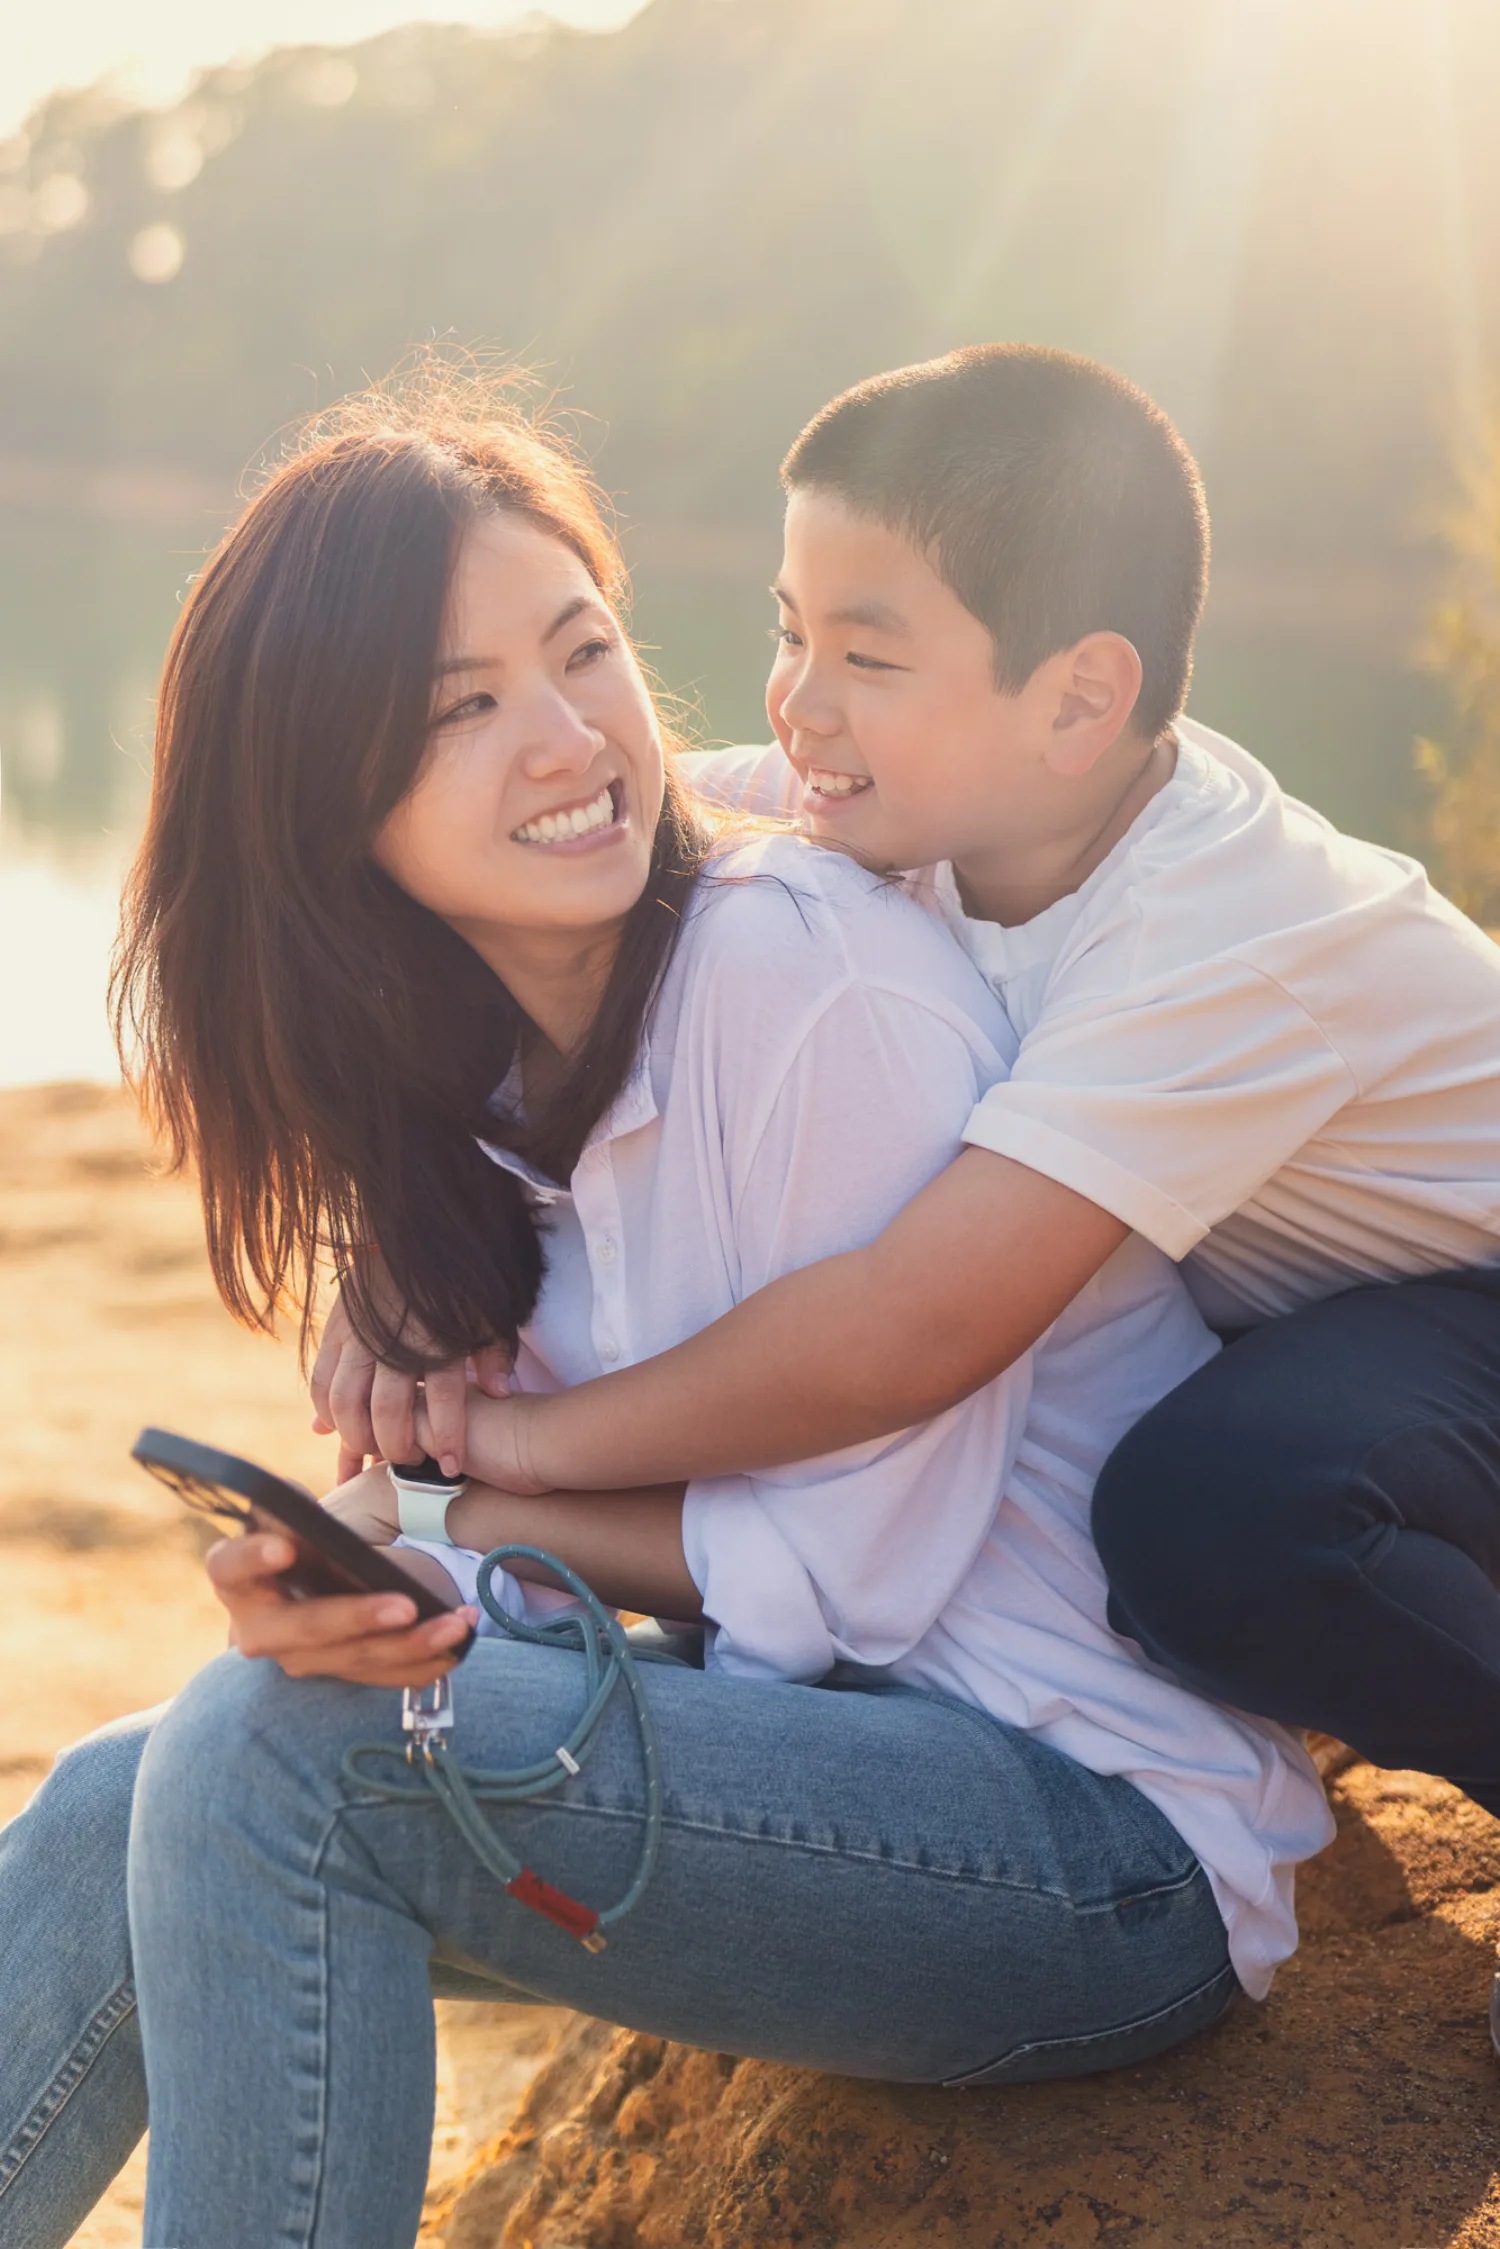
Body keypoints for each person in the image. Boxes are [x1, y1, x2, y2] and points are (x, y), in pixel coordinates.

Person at [0, 376, 1330, 2249]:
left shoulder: (807, 990)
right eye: (460, 709)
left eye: (583, 653)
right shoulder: (485, 1057)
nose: (568, 744)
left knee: (280, 1763)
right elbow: (522, 1525)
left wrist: (449, 1523)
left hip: (1093, 1843)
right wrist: (365, 1577)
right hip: (804, 1758)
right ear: (327, 800)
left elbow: (849, 1572)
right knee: (122, 1796)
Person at [317, 346, 1500, 1888]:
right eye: (788, 630)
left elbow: (907, 1328)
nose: (801, 703)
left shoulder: (1216, 933)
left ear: (1078, 700)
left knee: (1210, 1521)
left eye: (868, 659)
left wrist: (521, 1447)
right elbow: (577, 830)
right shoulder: (919, 789)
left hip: (1465, 1303)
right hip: (1344, 1325)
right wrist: (385, 1249)